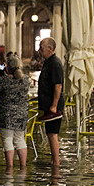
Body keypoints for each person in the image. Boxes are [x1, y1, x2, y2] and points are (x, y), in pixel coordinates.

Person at [0, 54, 30, 171]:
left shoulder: (4, 81)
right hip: (22, 115)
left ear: (8, 67)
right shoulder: (26, 80)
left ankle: (10, 168)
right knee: (20, 140)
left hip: (6, 115)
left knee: (7, 140)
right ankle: (23, 167)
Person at [37, 37, 64, 167]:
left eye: (41, 48)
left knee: (53, 134)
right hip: (48, 104)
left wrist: (54, 105)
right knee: (50, 133)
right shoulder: (48, 62)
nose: (39, 50)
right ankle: (53, 161)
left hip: (54, 105)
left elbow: (58, 86)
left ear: (50, 49)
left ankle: (56, 163)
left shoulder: (55, 63)